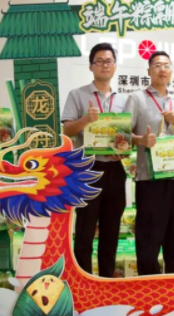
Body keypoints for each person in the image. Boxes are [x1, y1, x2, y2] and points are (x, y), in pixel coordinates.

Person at [123, 51, 174, 275]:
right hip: (149, 179)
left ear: (171, 71)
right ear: (148, 71)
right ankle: (149, 288)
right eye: (157, 65)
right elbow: (121, 136)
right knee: (148, 240)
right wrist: (141, 140)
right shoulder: (136, 98)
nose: (162, 69)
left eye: (166, 65)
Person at [61, 43, 127, 277]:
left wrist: (124, 149)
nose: (104, 65)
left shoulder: (124, 99)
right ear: (91, 66)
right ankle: (83, 281)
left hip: (116, 169)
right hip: (88, 168)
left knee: (111, 230)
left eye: (109, 61)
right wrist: (86, 120)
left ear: (115, 66)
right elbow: (67, 130)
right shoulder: (77, 95)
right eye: (99, 61)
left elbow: (126, 134)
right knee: (85, 230)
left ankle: (107, 281)